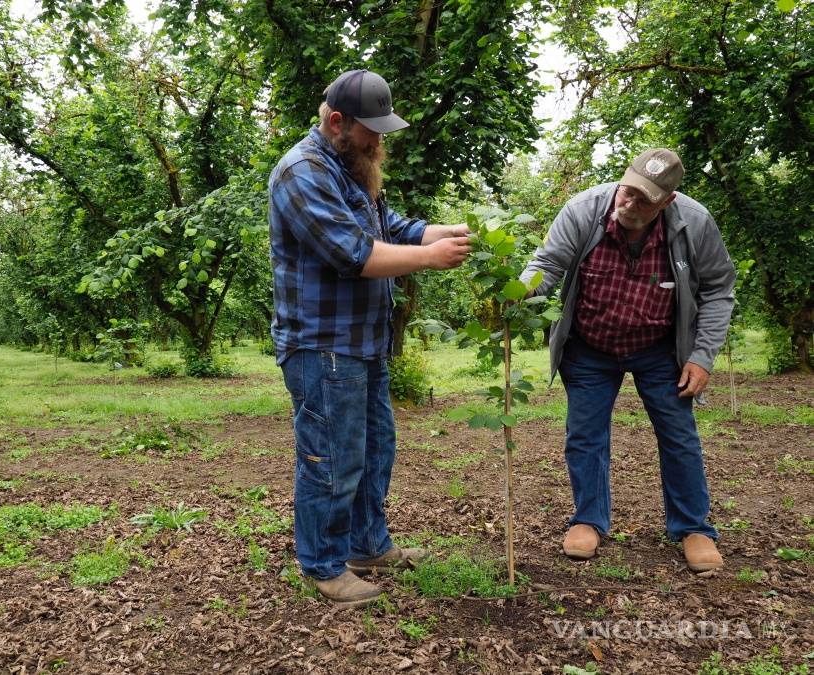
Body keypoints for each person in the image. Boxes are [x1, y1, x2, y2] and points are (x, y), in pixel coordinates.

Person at [268, 69, 472, 607]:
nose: (379, 142)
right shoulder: (302, 173)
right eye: (371, 131)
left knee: (374, 452)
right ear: (338, 122)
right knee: (331, 460)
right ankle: (323, 565)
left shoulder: (351, 167)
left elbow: (390, 228)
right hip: (323, 346)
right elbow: (352, 253)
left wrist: (440, 233)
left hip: (364, 344)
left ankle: (367, 545)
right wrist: (431, 258)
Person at [520, 149, 736, 572]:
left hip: (659, 348)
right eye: (628, 192)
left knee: (679, 435)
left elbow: (718, 289)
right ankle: (589, 520)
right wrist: (518, 290)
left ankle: (693, 528)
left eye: (645, 200)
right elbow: (546, 264)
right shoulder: (583, 211)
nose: (630, 205)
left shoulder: (694, 222)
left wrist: (702, 357)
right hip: (589, 347)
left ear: (667, 202)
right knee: (585, 435)